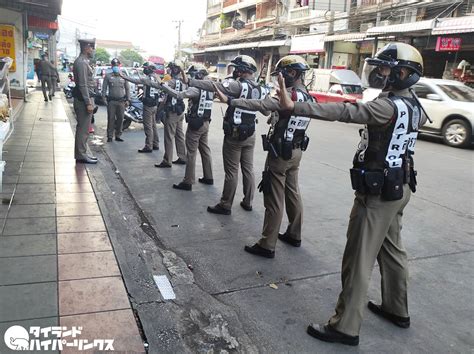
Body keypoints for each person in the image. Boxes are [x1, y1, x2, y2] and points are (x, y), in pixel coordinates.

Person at [277, 43, 426, 346]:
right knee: (392, 251)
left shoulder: (386, 106)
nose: (380, 74)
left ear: (402, 73)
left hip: (378, 194)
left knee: (358, 258)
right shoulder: (413, 105)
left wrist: (296, 106)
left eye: (385, 69)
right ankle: (397, 309)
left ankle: (345, 326)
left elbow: (345, 111)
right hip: (400, 187)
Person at [218, 55, 313, 258]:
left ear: (292, 73)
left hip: (280, 154)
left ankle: (267, 243)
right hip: (296, 152)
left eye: (282, 74)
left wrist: (232, 101)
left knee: (274, 198)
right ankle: (294, 234)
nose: (280, 78)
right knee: (293, 192)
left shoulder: (288, 96)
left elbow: (261, 105)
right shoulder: (307, 96)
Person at [189, 55, 268, 215]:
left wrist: (191, 82)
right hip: (250, 134)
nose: (235, 71)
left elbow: (214, 86)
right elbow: (266, 111)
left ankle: (226, 204)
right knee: (248, 168)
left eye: (237, 68)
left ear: (242, 70)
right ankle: (248, 201)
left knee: (231, 171)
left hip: (234, 135)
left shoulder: (237, 86)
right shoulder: (261, 89)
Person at [151, 64, 214, 191]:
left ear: (198, 75)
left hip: (196, 124)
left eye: (192, 75)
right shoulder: (210, 88)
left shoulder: (196, 89)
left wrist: (163, 84)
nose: (190, 77)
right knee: (205, 150)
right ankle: (208, 176)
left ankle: (188, 181)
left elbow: (179, 95)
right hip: (205, 122)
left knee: (191, 153)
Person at [121, 62, 160, 153]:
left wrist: (124, 76)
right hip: (154, 105)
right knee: (153, 125)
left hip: (148, 105)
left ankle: (148, 146)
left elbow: (135, 81)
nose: (144, 70)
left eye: (145, 68)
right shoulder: (157, 78)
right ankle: (155, 143)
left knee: (148, 126)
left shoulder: (147, 79)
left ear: (148, 69)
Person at [155, 60, 187, 168]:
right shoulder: (183, 82)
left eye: (170, 68)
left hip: (172, 112)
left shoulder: (172, 82)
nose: (168, 70)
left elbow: (162, 87)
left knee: (169, 137)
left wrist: (158, 80)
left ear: (173, 70)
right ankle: (182, 157)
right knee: (179, 135)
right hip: (180, 111)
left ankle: (167, 160)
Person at [72, 38, 97, 164]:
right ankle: (81, 155)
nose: (93, 50)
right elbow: (82, 84)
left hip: (85, 98)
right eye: (91, 47)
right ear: (86, 48)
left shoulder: (84, 62)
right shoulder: (81, 62)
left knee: (85, 128)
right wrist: (88, 102)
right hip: (83, 100)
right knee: (83, 128)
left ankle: (82, 153)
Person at [102, 58, 130, 142]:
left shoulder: (123, 76)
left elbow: (127, 88)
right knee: (111, 119)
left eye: (117, 65)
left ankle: (118, 135)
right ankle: (110, 136)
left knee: (120, 119)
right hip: (111, 101)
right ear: (112, 66)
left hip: (121, 101)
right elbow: (104, 88)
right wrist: (103, 98)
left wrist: (128, 99)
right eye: (114, 65)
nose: (115, 67)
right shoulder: (108, 76)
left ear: (119, 65)